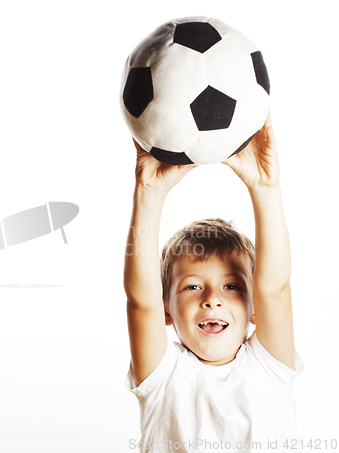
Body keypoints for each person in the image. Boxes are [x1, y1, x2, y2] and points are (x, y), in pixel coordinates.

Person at [123, 113, 303, 452]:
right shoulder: (164, 376)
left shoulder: (269, 366)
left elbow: (275, 289)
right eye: (192, 286)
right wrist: (149, 192)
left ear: (255, 309)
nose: (212, 299)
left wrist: (265, 188)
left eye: (232, 286)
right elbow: (140, 302)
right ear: (166, 309)